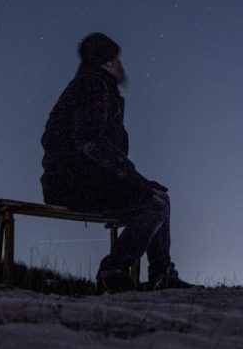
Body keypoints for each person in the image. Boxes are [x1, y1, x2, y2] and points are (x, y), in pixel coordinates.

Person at [40, 32, 187, 291]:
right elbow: (90, 142)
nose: (121, 65)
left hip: (80, 180)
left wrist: (137, 181)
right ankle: (113, 270)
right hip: (73, 183)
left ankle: (162, 275)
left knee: (159, 197)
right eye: (117, 60)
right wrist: (134, 178)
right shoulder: (93, 86)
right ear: (107, 62)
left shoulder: (96, 87)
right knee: (155, 205)